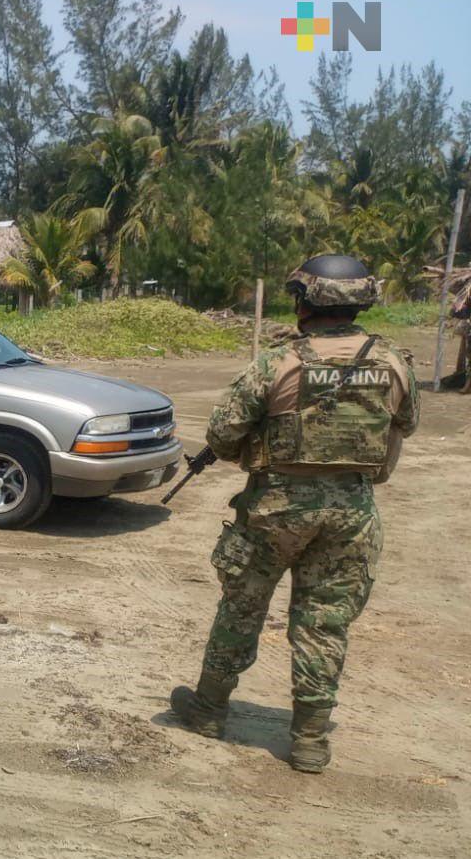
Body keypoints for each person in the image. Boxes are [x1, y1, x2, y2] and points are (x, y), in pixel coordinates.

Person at [169, 254, 419, 773]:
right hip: (351, 513)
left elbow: (222, 435)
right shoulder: (395, 362)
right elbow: (405, 423)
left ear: (304, 302)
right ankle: (308, 739)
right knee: (324, 624)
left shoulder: (276, 362)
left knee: (241, 609)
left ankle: (210, 710)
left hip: (275, 510)